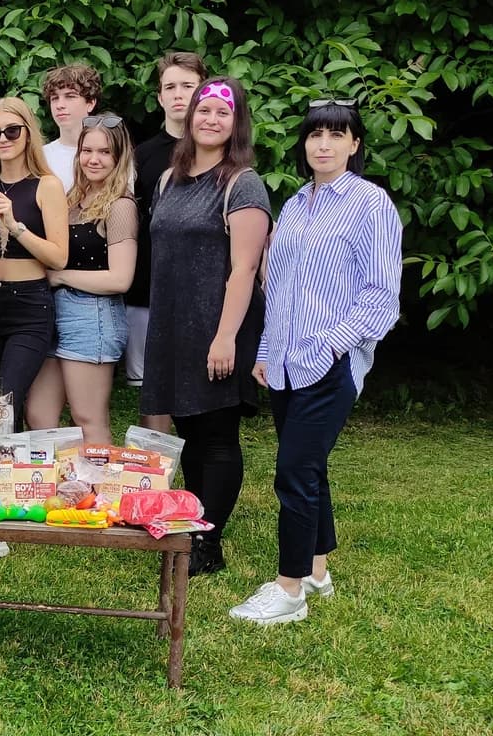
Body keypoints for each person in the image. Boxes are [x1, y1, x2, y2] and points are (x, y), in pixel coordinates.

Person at [230, 100, 402, 624]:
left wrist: (332, 343)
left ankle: (288, 592)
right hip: (284, 361)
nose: (323, 144)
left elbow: (381, 296)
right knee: (310, 467)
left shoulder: (371, 205)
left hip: (332, 361)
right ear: (304, 144)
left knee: (293, 473)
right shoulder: (298, 204)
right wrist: (264, 352)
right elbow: (278, 288)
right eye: (315, 135)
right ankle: (317, 571)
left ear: (354, 144)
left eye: (337, 135)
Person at [141, 76, 271, 576]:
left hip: (219, 327)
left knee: (216, 435)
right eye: (204, 111)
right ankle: (192, 529)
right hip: (173, 326)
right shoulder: (167, 179)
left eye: (223, 113)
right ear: (190, 117)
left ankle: (208, 543)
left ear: (236, 123)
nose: (211, 120)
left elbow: (244, 268)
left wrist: (225, 337)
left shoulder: (243, 183)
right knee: (191, 431)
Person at [0, 97, 69, 559]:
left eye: (12, 131)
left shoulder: (45, 185)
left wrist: (15, 225)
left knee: (4, 403)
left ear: (28, 132)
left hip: (29, 306)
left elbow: (59, 258)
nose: (3, 140)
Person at [26, 114, 137, 444]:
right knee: (40, 415)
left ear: (119, 158)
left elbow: (120, 279)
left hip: (93, 317)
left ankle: (101, 493)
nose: (93, 159)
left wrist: (61, 276)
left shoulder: (120, 205)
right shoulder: (72, 199)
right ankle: (68, 487)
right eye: (87, 150)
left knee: (88, 417)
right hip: (54, 316)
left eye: (104, 152)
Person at [129, 52, 208, 433]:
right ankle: (154, 485)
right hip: (147, 290)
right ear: (159, 97)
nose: (179, 95)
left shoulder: (220, 152)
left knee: (198, 387)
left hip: (203, 292)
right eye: (170, 87)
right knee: (152, 389)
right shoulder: (141, 155)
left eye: (188, 86)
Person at [41, 64, 101, 192]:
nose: (60, 105)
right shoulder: (40, 156)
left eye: (70, 96)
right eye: (54, 98)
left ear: (90, 103)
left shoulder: (111, 152)